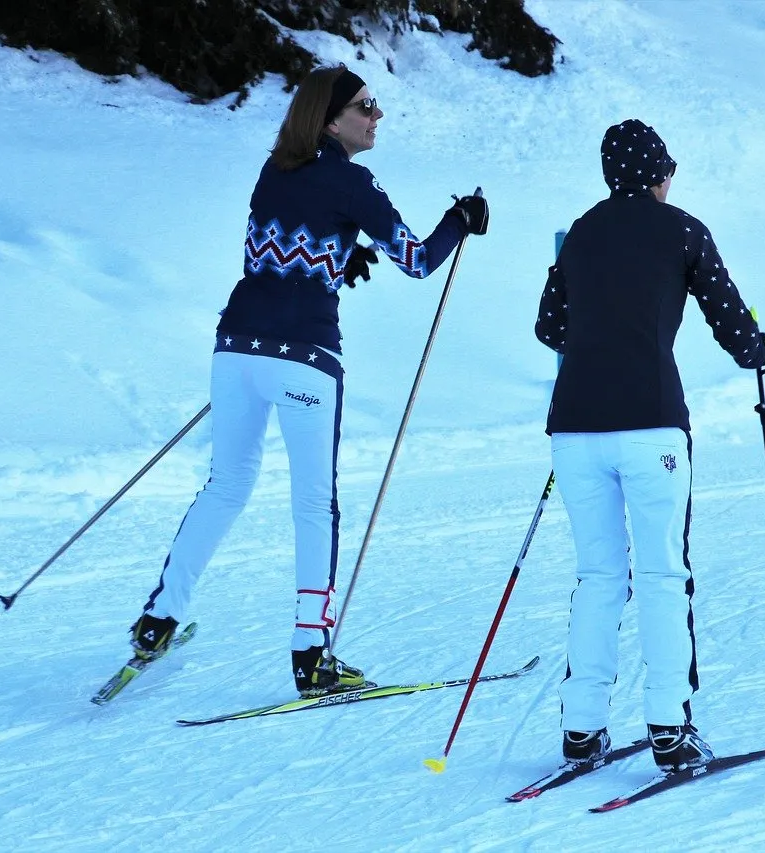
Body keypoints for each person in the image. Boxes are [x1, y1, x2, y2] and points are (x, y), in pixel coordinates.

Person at [129, 64, 490, 698]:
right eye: (365, 107)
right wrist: (460, 218)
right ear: (330, 119)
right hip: (304, 358)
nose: (377, 116)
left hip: (236, 349)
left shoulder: (275, 170)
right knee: (314, 504)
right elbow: (418, 261)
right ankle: (310, 653)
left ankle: (158, 620)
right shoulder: (353, 181)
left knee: (226, 485)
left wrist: (337, 257)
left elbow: (283, 247)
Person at [534, 119, 765, 770]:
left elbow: (549, 325)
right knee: (664, 570)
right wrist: (759, 347)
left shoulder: (581, 233)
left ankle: (582, 727)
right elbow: (732, 315)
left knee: (598, 574)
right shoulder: (684, 229)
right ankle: (669, 724)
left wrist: (596, 342)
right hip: (652, 424)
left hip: (575, 428)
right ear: (659, 175)